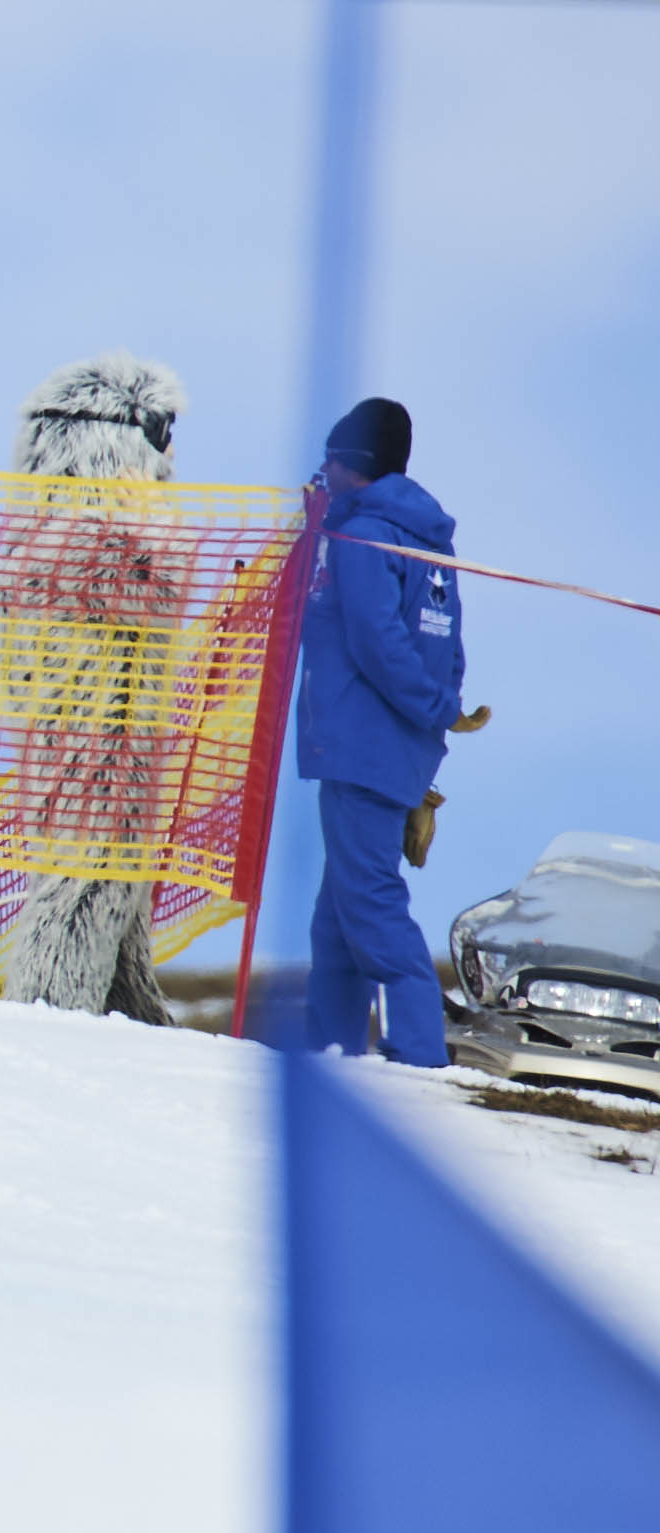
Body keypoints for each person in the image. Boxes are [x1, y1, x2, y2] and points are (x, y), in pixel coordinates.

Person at [0, 353, 195, 1023]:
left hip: (107, 743)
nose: (169, 453)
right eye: (159, 433)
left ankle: (128, 1019)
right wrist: (157, 529)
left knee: (116, 898)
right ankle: (50, 1016)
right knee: (83, 891)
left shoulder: (57, 520)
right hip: (92, 751)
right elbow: (155, 591)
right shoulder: (82, 530)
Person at [289, 396, 470, 1067]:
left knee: (369, 906)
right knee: (338, 915)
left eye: (330, 460)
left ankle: (419, 1052)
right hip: (395, 749)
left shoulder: (362, 537)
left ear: (353, 462)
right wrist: (438, 716)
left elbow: (376, 640)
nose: (323, 473)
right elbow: (448, 651)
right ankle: (332, 1045)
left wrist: (431, 709)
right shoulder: (429, 538)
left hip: (360, 746)